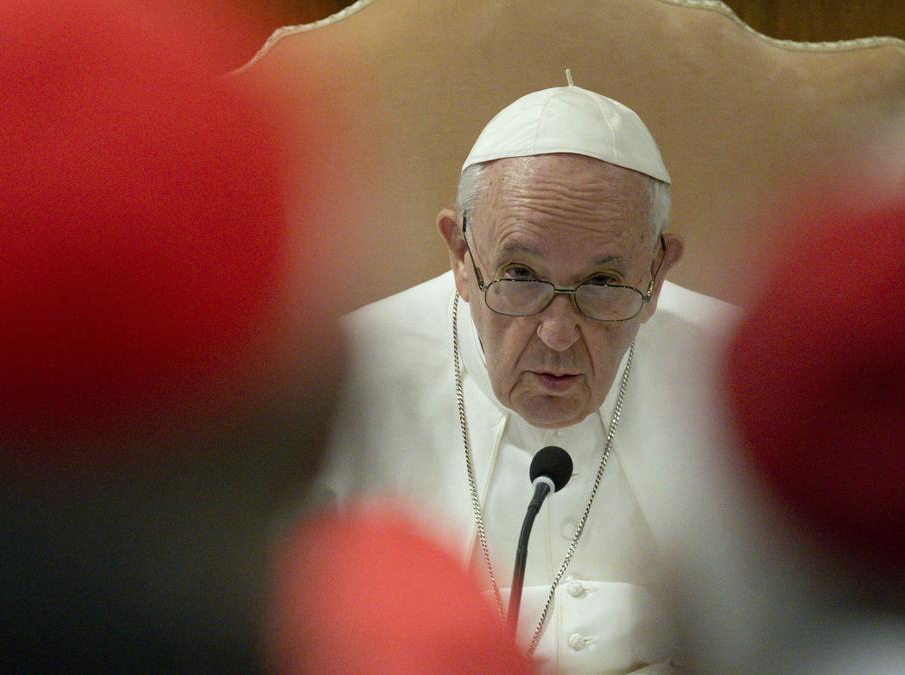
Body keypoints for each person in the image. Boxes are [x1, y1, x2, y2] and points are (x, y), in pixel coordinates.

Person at [316, 82, 740, 672]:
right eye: (520, 274)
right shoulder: (338, 382)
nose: (557, 333)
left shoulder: (747, 377)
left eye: (602, 283)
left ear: (657, 270)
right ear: (462, 256)